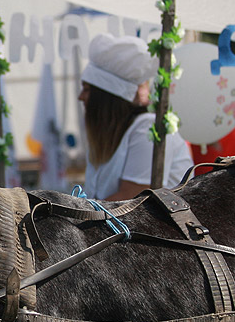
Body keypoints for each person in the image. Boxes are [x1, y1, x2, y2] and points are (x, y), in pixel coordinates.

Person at [79, 33, 194, 200]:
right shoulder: (107, 136)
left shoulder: (147, 129)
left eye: (87, 89)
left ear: (105, 97)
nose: (80, 96)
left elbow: (131, 199)